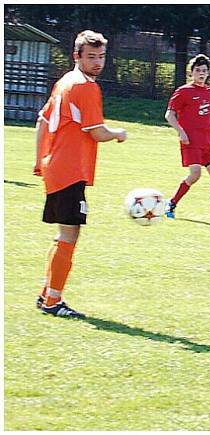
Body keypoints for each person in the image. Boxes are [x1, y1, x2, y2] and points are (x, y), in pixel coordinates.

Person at [33, 30, 128, 318]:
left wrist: (40, 160)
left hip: (57, 167)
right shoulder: (86, 87)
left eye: (101, 57)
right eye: (91, 57)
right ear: (77, 56)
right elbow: (97, 132)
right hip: (70, 169)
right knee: (69, 234)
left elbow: (42, 120)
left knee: (64, 233)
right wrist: (118, 133)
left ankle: (46, 294)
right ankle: (53, 301)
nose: (97, 63)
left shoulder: (64, 82)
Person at [164, 54, 210, 225]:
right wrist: (181, 132)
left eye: (204, 71)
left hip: (207, 141)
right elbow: (169, 114)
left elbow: (209, 116)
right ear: (191, 73)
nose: (201, 74)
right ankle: (171, 203)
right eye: (198, 71)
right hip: (191, 141)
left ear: (208, 73)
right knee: (195, 174)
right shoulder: (183, 91)